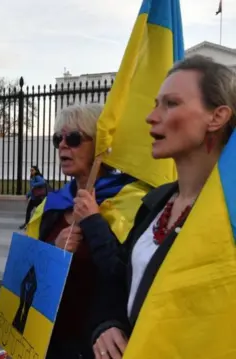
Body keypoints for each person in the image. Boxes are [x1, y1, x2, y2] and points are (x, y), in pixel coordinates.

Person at [83, 56, 236, 359]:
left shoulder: (228, 216)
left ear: (217, 117)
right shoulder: (157, 202)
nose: (151, 116)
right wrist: (107, 324)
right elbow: (119, 280)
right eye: (156, 103)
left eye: (171, 104)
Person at [24, 103, 148, 359]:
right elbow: (26, 268)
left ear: (100, 146)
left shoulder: (132, 201)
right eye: (58, 138)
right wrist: (53, 251)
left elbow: (126, 275)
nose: (62, 146)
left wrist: (93, 220)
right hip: (50, 339)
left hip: (97, 343)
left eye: (74, 138)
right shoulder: (52, 204)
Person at [19, 165, 46, 230]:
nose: (31, 171)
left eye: (32, 170)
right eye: (30, 170)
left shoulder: (37, 177)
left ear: (36, 171)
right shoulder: (33, 177)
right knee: (31, 211)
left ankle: (29, 224)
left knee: (37, 211)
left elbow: (43, 182)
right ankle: (27, 224)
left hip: (37, 198)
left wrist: (34, 184)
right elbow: (32, 189)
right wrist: (28, 194)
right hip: (34, 197)